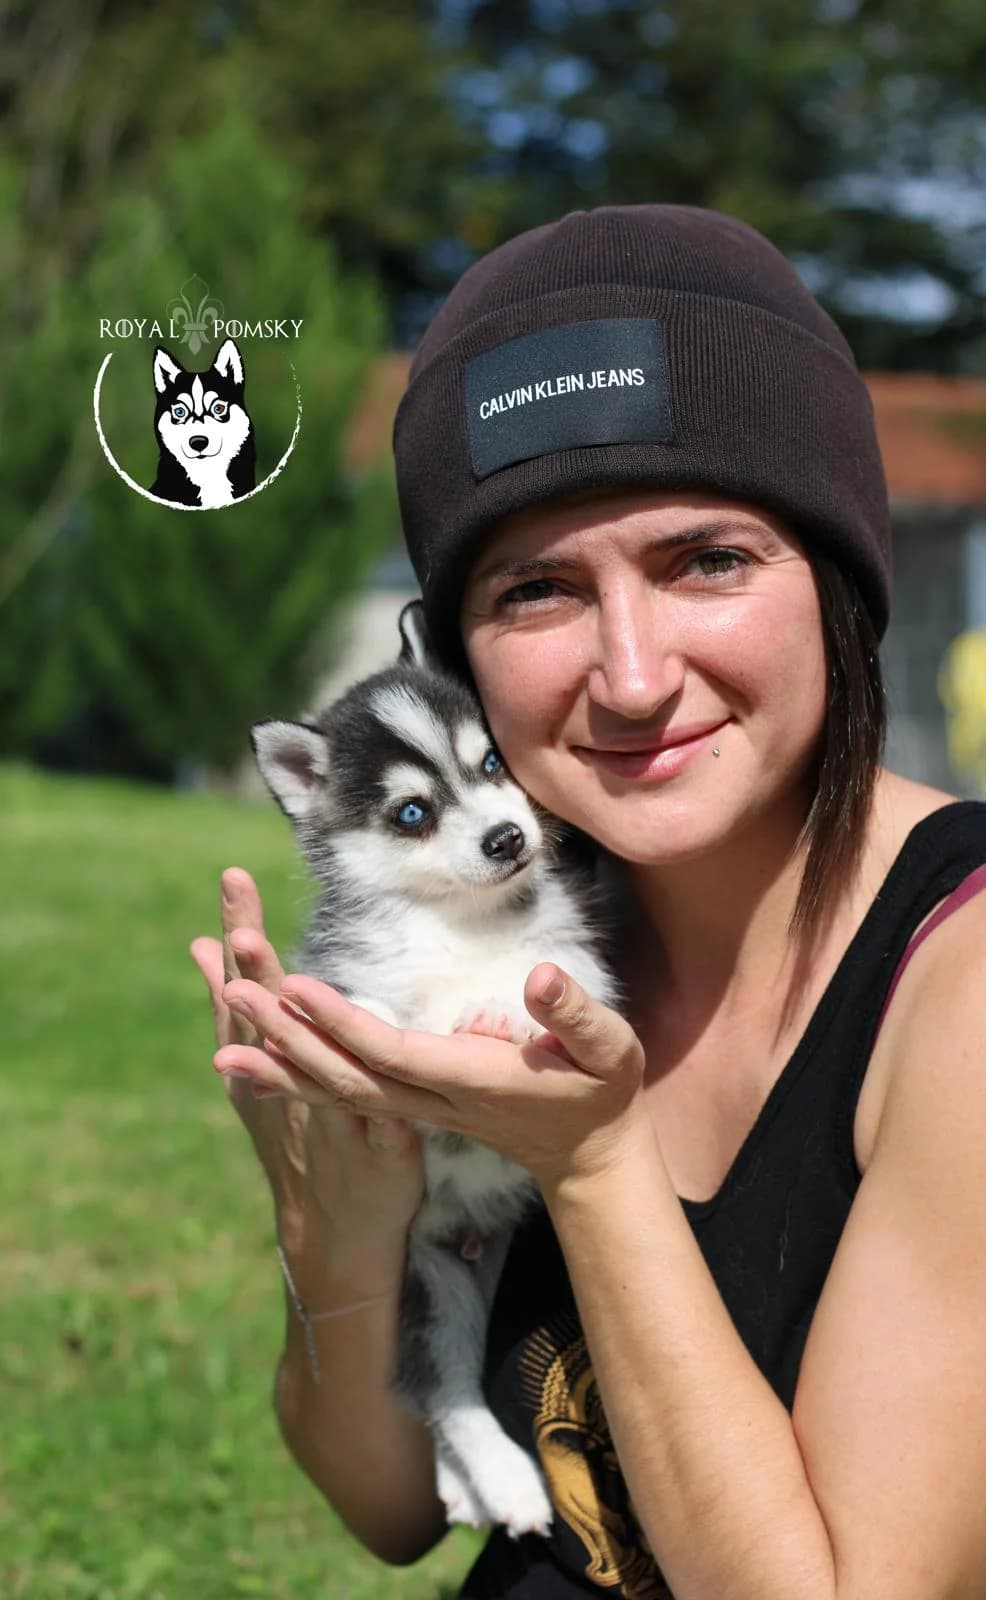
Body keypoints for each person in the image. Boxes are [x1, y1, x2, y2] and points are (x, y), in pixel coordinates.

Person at [190, 206, 986, 1599]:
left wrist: (596, 1161)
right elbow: (387, 1509)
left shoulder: (958, 981)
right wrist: (336, 1216)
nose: (630, 676)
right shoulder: (481, 940)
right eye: (538, 590)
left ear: (837, 579)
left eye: (707, 560)